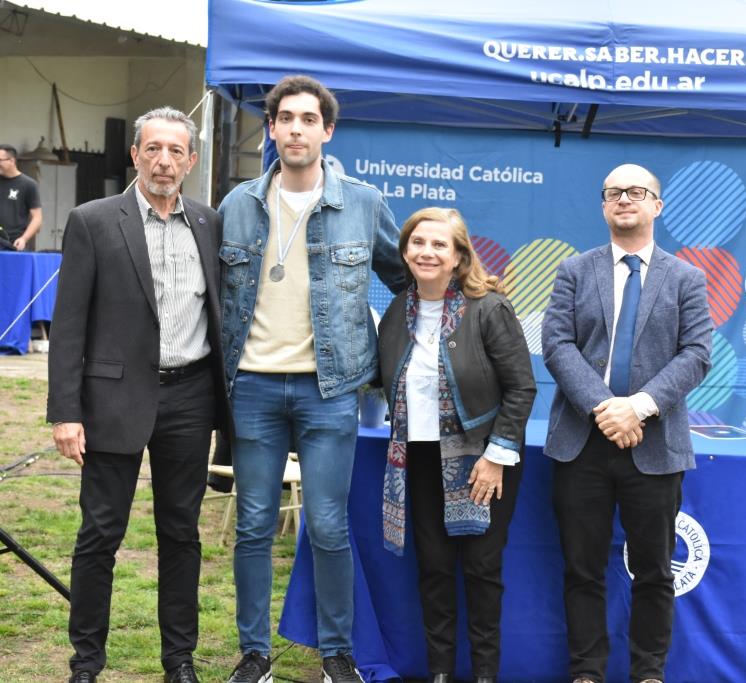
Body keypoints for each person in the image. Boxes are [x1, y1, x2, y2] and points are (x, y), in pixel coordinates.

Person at [217, 74, 405, 683]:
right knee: (252, 524)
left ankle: (336, 655)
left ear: (327, 130)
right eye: (285, 119)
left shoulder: (364, 203)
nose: (296, 129)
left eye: (308, 119)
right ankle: (253, 655)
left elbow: (408, 280)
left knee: (327, 525)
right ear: (270, 129)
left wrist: (385, 362)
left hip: (330, 390)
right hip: (252, 387)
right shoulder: (237, 204)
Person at [46, 107, 230, 683]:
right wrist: (65, 412)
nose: (163, 161)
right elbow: (68, 324)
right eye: (153, 149)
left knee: (181, 533)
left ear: (191, 161)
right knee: (100, 533)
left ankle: (179, 660)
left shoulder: (210, 223)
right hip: (112, 402)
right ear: (135, 154)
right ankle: (87, 663)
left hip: (190, 398)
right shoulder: (94, 221)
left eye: (176, 151)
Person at [542, 164, 713, 683]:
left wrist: (636, 406)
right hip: (582, 444)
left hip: (654, 445)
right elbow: (556, 344)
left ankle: (648, 673)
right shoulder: (574, 270)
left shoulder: (686, 277)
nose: (623, 199)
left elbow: (698, 354)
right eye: (613, 192)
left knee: (655, 572)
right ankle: (588, 672)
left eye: (636, 192)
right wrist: (604, 407)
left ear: (656, 205)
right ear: (603, 206)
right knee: (582, 570)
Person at [377, 207, 535, 683]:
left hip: (482, 458)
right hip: (419, 460)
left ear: (459, 256)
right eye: (418, 243)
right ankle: (440, 674)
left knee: (483, 571)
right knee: (434, 570)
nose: (427, 252)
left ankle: (485, 675)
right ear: (404, 252)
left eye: (439, 245)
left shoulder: (489, 307)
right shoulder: (395, 312)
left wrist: (496, 456)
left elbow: (522, 387)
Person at [0, 143, 42, 250]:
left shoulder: (28, 184)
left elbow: (37, 218)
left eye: (0, 160)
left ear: (12, 161)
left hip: (13, 244)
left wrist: (24, 239)